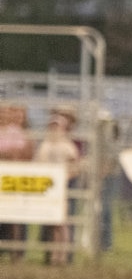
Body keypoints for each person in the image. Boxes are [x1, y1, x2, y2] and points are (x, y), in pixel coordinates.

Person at [34, 110, 82, 265]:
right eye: (52, 126)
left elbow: (75, 165)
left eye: (57, 126)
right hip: (48, 188)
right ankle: (54, 255)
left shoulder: (67, 145)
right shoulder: (46, 144)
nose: (54, 129)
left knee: (62, 223)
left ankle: (63, 255)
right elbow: (38, 163)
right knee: (53, 222)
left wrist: (64, 178)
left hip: (61, 187)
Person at [0, 103, 34, 261]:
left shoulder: (22, 134)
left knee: (16, 215)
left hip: (16, 177)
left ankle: (17, 252)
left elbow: (26, 153)